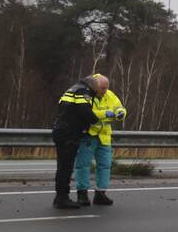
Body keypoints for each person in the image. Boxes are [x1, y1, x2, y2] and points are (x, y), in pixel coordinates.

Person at [51, 75, 112, 208]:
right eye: (98, 90)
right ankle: (62, 198)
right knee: (65, 167)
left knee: (63, 166)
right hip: (69, 133)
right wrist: (97, 121)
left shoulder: (73, 89)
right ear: (93, 86)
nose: (97, 94)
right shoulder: (82, 92)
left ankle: (59, 197)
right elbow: (85, 112)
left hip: (61, 130)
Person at [73, 74, 126, 206]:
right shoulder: (86, 95)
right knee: (83, 165)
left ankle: (101, 193)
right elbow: (88, 114)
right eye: (102, 88)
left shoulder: (109, 94)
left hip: (104, 136)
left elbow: (119, 107)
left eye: (106, 88)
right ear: (95, 86)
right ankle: (82, 193)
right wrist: (105, 114)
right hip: (89, 135)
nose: (104, 91)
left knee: (105, 166)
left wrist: (121, 113)